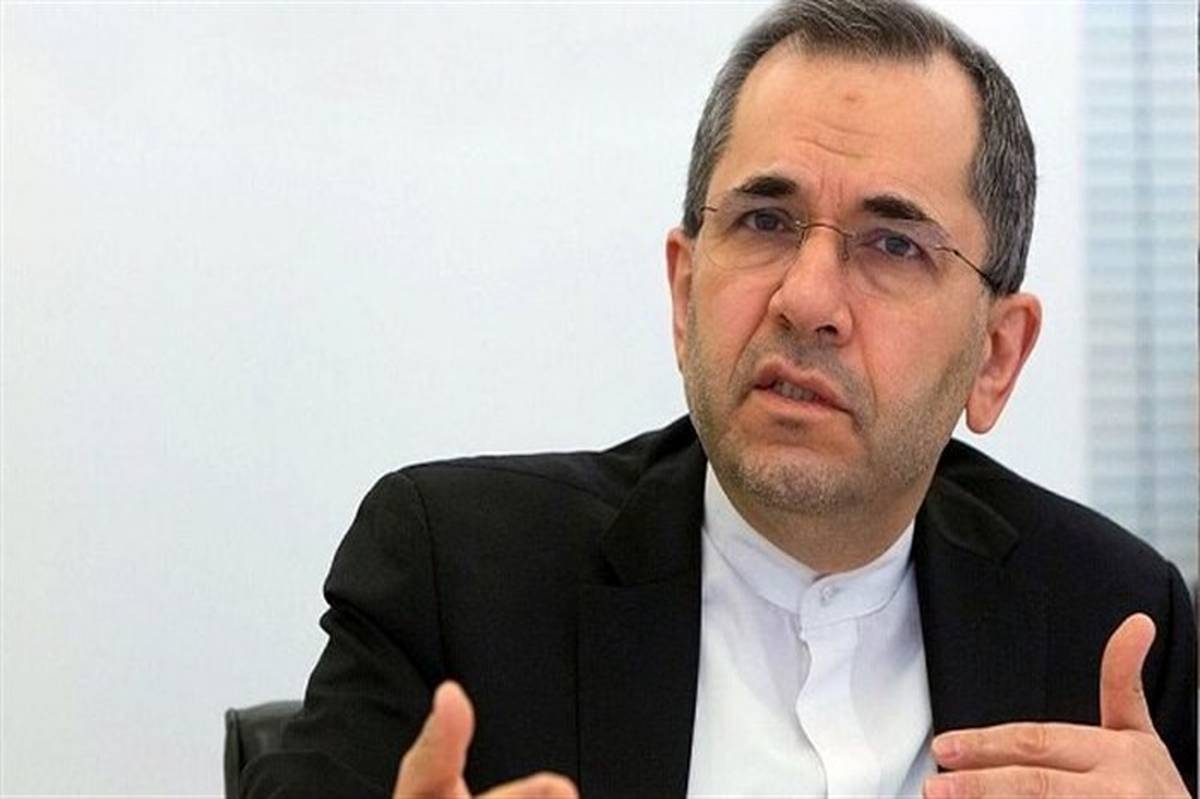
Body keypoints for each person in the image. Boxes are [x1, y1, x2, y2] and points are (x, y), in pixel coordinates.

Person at [242, 1, 1197, 797]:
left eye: (894, 243)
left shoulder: (1111, 625)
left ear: (995, 356)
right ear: (684, 291)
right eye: (765, 221)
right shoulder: (456, 578)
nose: (807, 301)